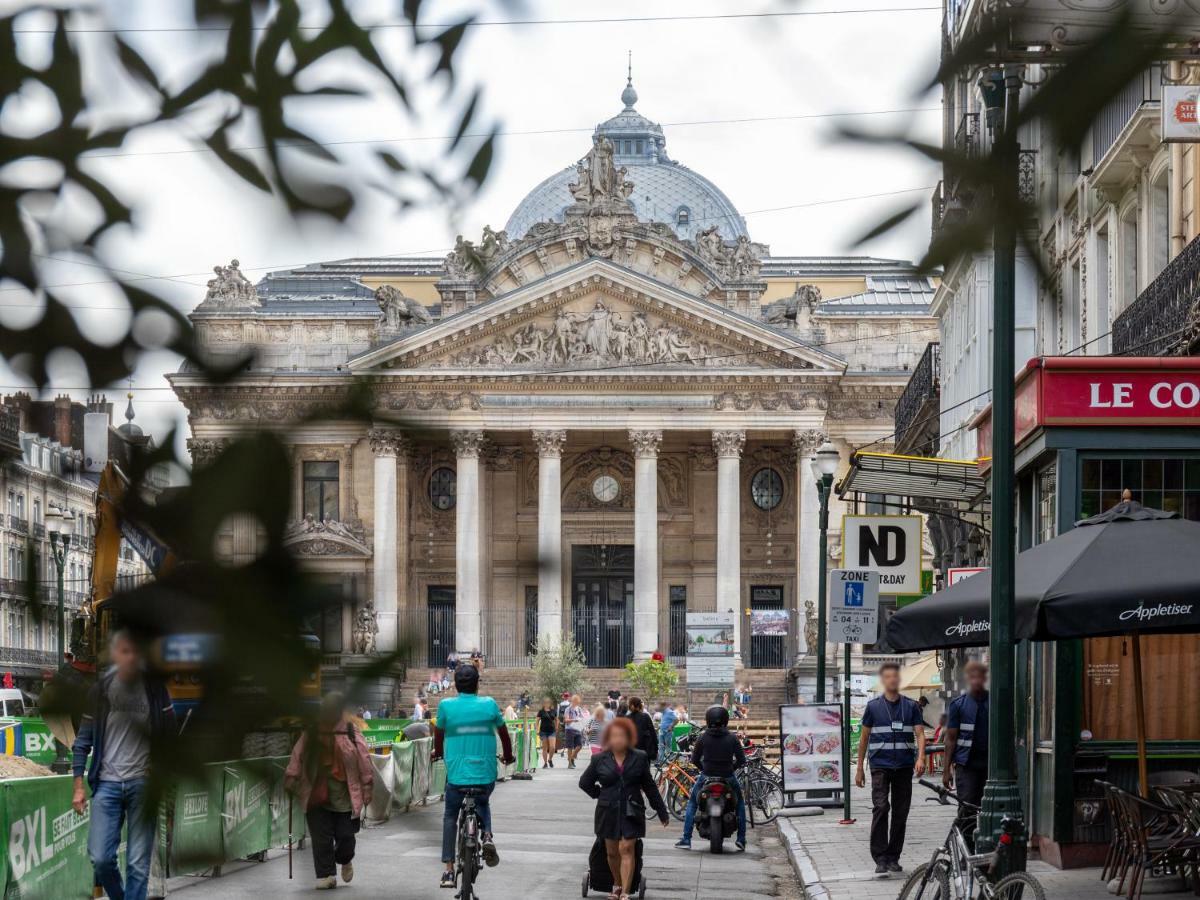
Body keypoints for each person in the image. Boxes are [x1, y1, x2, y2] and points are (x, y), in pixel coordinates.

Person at [72, 629, 177, 900]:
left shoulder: (155, 691)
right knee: (100, 858)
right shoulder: (100, 691)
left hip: (142, 784)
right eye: (125, 651)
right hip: (106, 785)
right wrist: (79, 787)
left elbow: (170, 735)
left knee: (137, 865)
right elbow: (82, 742)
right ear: (115, 655)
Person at [433, 664, 515, 890]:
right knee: (482, 802)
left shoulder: (445, 706)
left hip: (457, 775)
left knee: (450, 816)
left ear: (456, 685)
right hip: (485, 773)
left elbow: (438, 737)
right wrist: (508, 756)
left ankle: (449, 871)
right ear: (477, 683)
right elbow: (505, 737)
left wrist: (438, 753)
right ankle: (487, 835)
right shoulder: (489, 704)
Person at [284, 692, 375, 890]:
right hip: (315, 792)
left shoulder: (350, 730)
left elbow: (364, 759)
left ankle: (345, 859)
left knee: (345, 837)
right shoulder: (312, 731)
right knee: (320, 837)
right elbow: (298, 753)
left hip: (344, 794)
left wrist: (367, 786)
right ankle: (326, 874)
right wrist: (291, 776)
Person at [578, 717, 670, 899]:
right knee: (612, 852)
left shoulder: (640, 757)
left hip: (632, 809)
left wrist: (661, 811)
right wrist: (600, 794)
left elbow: (649, 786)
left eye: (622, 736)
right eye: (614, 736)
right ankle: (617, 884)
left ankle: (625, 892)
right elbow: (584, 782)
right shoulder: (598, 759)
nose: (618, 739)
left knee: (627, 848)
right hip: (607, 811)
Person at [855, 662, 926, 875]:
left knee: (900, 812)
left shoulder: (911, 706)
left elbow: (920, 733)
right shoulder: (874, 707)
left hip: (904, 765)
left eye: (895, 676)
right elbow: (864, 737)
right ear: (883, 681)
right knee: (881, 807)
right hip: (880, 765)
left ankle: (893, 857)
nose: (892, 680)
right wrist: (859, 768)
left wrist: (920, 758)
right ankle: (880, 857)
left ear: (898, 680)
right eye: (888, 677)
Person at [675, 705, 747, 851]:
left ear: (708, 720)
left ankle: (686, 839)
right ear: (726, 720)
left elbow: (694, 760)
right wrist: (731, 769)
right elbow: (741, 760)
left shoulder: (703, 737)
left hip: (706, 776)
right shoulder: (732, 738)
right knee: (739, 803)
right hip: (728, 776)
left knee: (692, 804)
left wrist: (704, 770)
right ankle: (741, 839)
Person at [943, 660, 989, 846]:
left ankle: (984, 849)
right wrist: (946, 770)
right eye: (973, 676)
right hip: (966, 766)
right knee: (967, 810)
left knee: (988, 809)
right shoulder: (958, 705)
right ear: (968, 679)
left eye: (980, 676)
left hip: (990, 766)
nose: (976, 680)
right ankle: (966, 851)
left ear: (984, 678)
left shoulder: (995, 702)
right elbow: (951, 739)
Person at [624, 697, 658, 762]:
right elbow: (653, 733)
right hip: (645, 751)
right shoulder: (645, 717)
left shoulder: (626, 718)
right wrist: (656, 749)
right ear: (640, 705)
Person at [564, 694, 588, 769]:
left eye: (578, 702)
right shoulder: (568, 709)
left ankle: (571, 758)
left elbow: (582, 718)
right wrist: (574, 720)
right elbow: (566, 720)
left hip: (578, 729)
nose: (577, 703)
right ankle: (570, 763)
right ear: (573, 701)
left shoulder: (579, 709)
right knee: (570, 747)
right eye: (576, 701)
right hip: (570, 729)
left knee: (579, 745)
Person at [536, 698, 558, 768]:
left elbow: (556, 720)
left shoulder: (553, 711)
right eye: (545, 702)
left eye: (548, 702)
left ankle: (550, 759)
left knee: (552, 747)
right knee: (544, 748)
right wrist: (537, 729)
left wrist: (557, 727)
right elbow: (537, 721)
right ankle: (545, 763)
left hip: (552, 731)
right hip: (543, 731)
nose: (547, 703)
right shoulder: (541, 711)